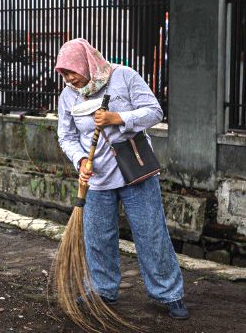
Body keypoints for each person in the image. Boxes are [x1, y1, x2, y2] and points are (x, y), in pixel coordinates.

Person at [55, 38, 188, 320]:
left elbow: (154, 111)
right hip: (97, 179)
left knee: (151, 233)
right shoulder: (67, 96)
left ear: (86, 64)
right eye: (64, 74)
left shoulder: (123, 77)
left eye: (72, 72)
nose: (69, 79)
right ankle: (103, 290)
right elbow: (65, 136)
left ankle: (169, 293)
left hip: (133, 172)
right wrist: (80, 159)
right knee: (98, 238)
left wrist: (118, 117)